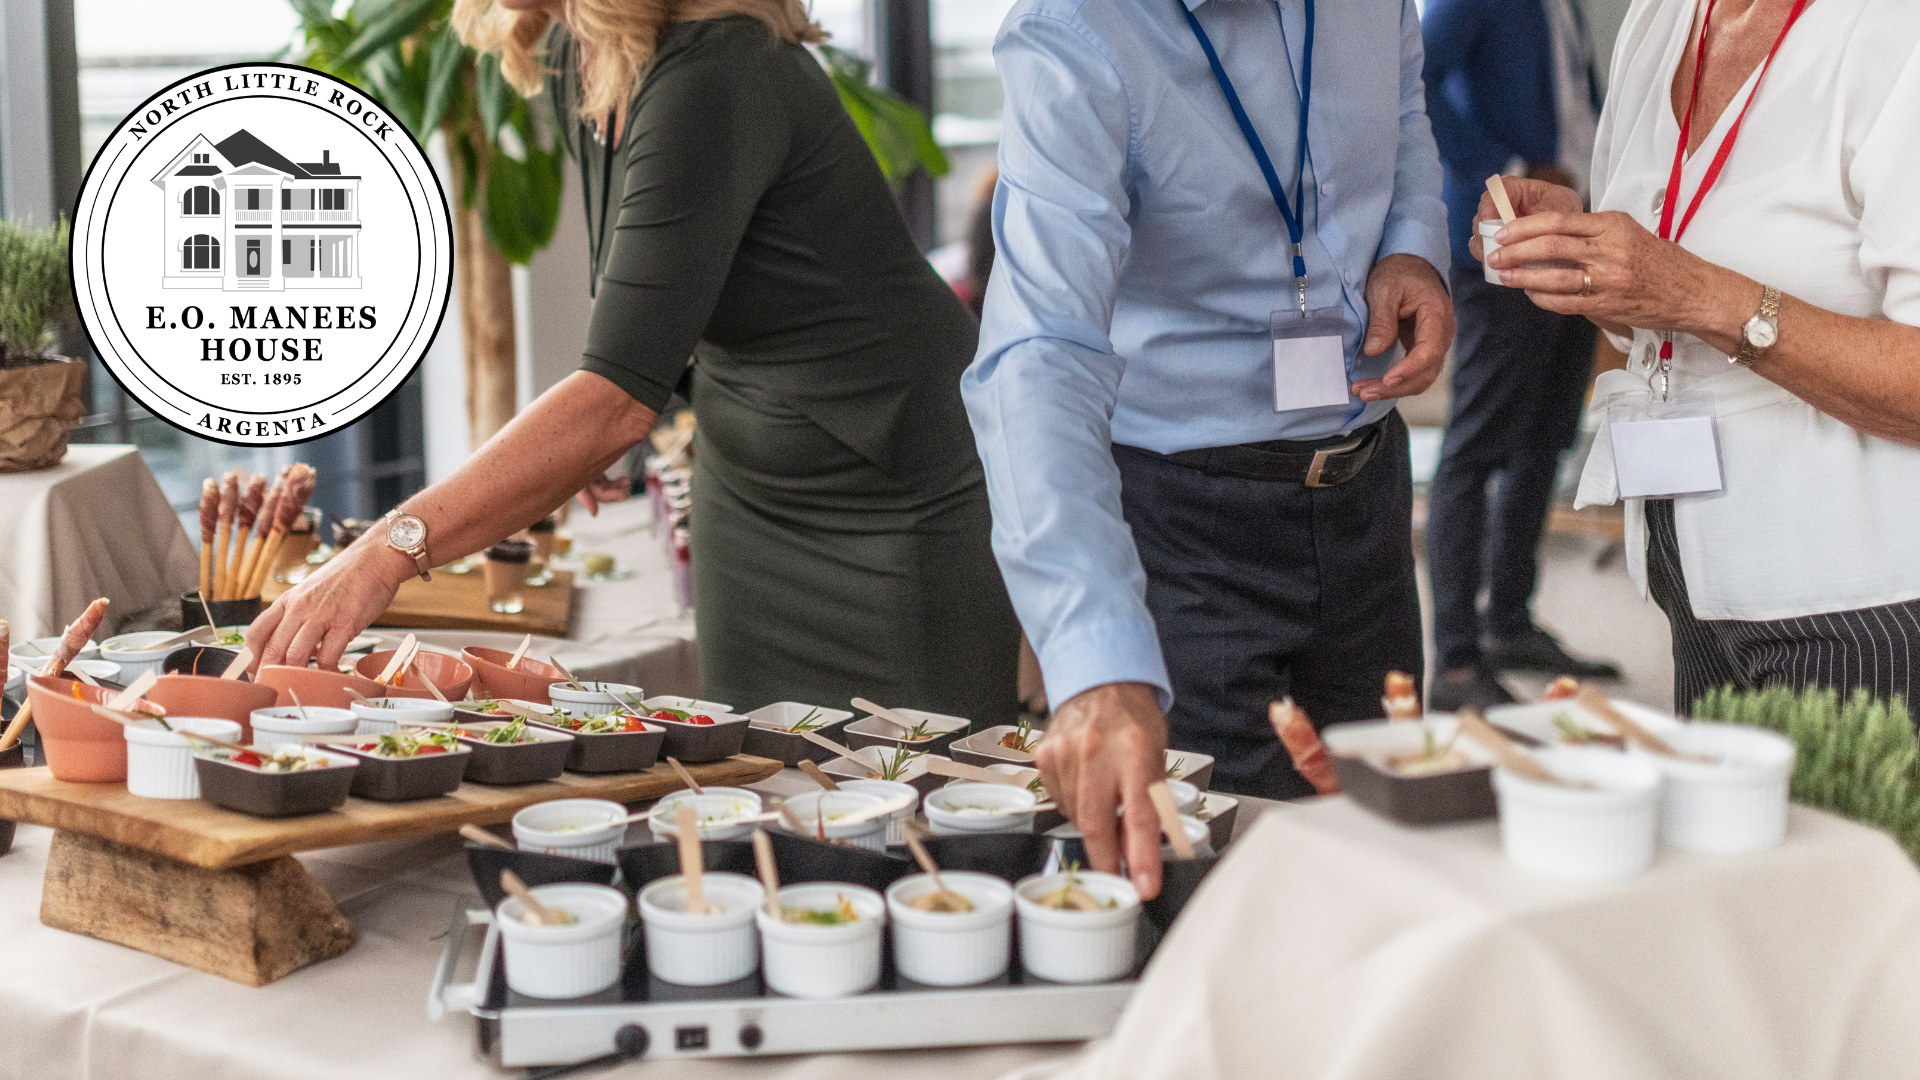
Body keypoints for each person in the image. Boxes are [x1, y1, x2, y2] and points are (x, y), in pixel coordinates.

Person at [247, 0, 1020, 726]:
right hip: (751, 491)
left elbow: (615, 397)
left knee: (920, 809)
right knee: (761, 791)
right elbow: (660, 293)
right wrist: (598, 415)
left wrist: (382, 555)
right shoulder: (580, 51)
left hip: (893, 499)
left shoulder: (717, 69)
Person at [966, 0, 1452, 896]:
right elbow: (1038, 354)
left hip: (1366, 497)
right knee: (1225, 890)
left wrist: (1413, 246)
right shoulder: (1073, 33)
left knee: (1392, 859)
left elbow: (1408, 117)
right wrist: (1096, 664)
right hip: (1186, 526)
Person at [1478, 0, 1920, 712]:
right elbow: (1647, 321)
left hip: (1864, 601)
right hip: (1691, 582)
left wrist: (1697, 294)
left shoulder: (1896, 31)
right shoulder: (1662, 18)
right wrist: (1578, 255)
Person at [1420, 0, 1622, 712]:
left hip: (1575, 231)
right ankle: (1453, 662)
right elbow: (1414, 70)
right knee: (1477, 448)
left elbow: (1576, 108)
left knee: (1545, 439)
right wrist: (1501, 168)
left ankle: (1508, 621)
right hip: (1502, 242)